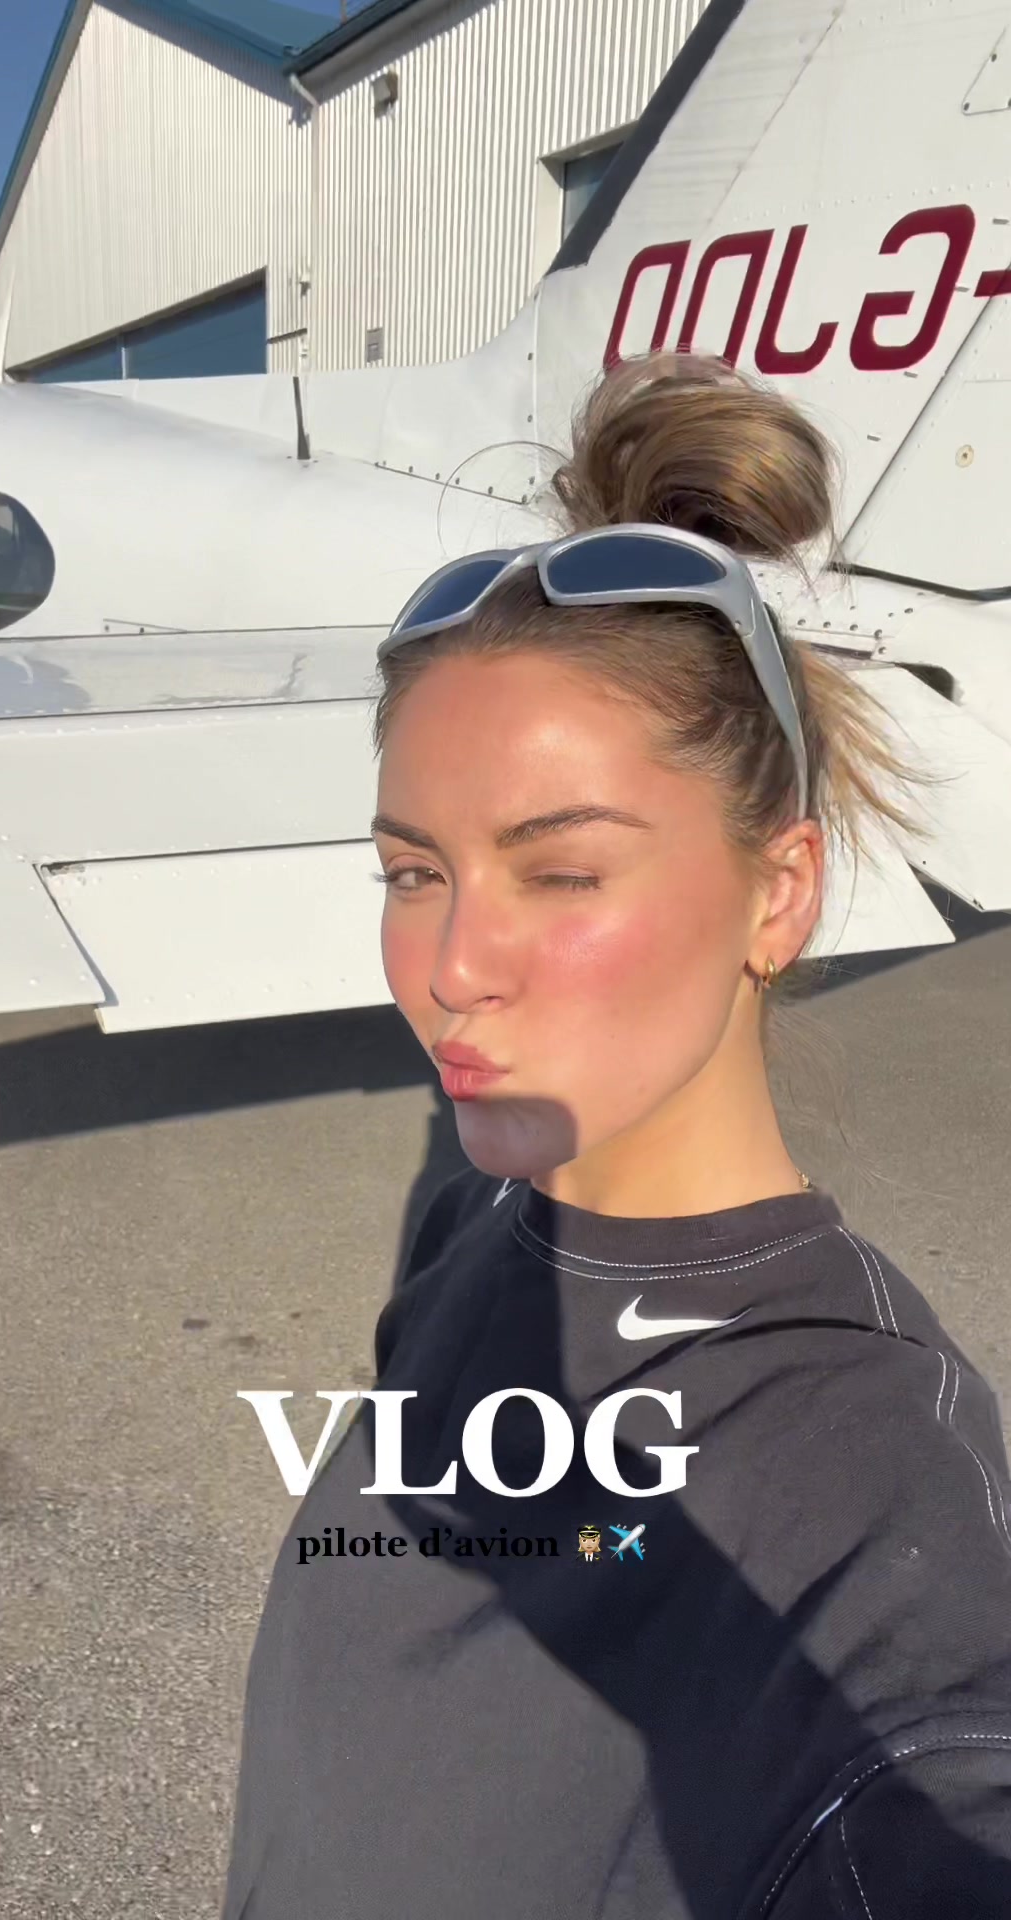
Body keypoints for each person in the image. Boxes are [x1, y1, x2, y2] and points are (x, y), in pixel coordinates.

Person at [222, 355, 1011, 1919]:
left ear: (779, 894)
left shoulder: (876, 1480)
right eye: (413, 873)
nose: (451, 967)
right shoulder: (470, 1232)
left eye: (562, 872)